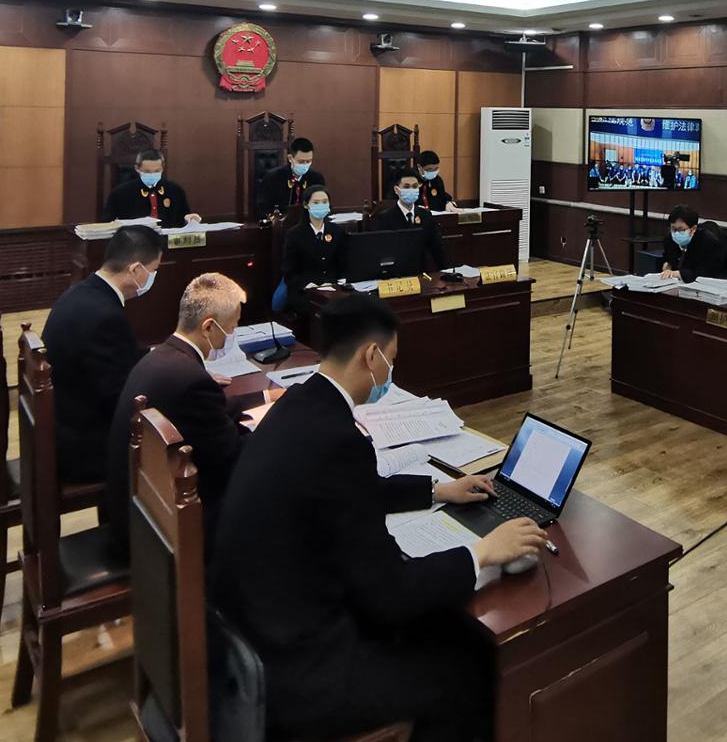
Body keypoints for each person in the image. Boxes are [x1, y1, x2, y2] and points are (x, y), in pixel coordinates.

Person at [211, 295, 547, 742]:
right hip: (299, 671)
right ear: (371, 355)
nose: (391, 372)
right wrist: (481, 552)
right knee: (469, 667)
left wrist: (436, 490)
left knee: (446, 631)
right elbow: (389, 594)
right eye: (392, 359)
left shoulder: (298, 403)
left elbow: (342, 490)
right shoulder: (339, 440)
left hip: (249, 635)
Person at [104, 273, 248, 563]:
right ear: (209, 327)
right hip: (158, 531)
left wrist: (256, 402)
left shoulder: (159, 357)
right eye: (231, 328)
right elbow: (230, 455)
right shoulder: (191, 379)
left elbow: (204, 412)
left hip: (131, 508)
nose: (231, 336)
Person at [42, 225, 164, 485]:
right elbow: (122, 399)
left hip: (65, 425)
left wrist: (160, 357)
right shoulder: (106, 317)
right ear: (135, 270)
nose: (152, 278)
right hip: (87, 448)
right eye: (153, 270)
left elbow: (117, 359)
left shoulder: (82, 292)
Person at [281, 185, 348, 314]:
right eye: (316, 203)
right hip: (304, 290)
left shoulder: (337, 231)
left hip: (333, 287)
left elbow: (343, 264)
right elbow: (289, 271)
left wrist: (332, 283)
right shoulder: (294, 234)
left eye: (324, 202)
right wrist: (308, 285)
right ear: (306, 205)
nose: (321, 205)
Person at [101, 148, 200, 229]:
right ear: (137, 168)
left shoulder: (175, 191)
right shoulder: (119, 193)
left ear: (162, 168)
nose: (152, 174)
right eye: (147, 172)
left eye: (157, 171)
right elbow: (107, 223)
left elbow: (183, 219)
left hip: (167, 241)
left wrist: (189, 219)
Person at [376, 172, 448, 273]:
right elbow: (381, 252)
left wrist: (447, 271)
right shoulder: (385, 218)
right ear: (396, 190)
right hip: (395, 274)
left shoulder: (425, 215)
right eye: (406, 187)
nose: (411, 190)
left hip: (420, 273)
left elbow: (438, 248)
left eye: (414, 186)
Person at [658, 204, 727, 282]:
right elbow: (667, 259)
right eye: (673, 229)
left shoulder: (709, 243)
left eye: (681, 230)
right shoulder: (670, 239)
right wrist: (667, 265)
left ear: (693, 229)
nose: (676, 233)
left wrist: (680, 274)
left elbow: (708, 273)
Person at [257, 137, 325, 216]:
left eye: (308, 161)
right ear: (290, 158)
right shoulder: (272, 178)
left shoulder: (316, 178)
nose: (305, 165)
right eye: (301, 161)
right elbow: (263, 208)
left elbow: (323, 204)